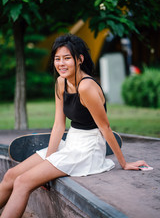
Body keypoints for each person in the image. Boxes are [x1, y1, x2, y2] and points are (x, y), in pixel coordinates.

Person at [0, 34, 149, 218]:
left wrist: (124, 163)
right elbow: (58, 125)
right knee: (10, 176)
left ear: (79, 59)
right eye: (57, 58)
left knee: (23, 182)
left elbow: (105, 128)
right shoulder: (61, 82)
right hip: (70, 143)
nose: (61, 63)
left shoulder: (86, 87)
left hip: (87, 150)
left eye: (67, 58)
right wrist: (49, 160)